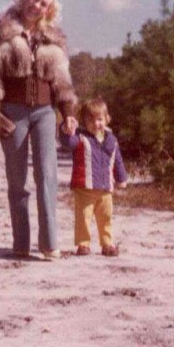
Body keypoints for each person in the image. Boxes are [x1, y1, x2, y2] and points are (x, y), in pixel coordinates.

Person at [0, 0, 77, 260]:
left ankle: (49, 244)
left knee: (47, 175)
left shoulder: (55, 39)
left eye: (43, 2)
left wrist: (67, 112)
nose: (37, 4)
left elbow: (62, 81)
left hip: (44, 112)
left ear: (49, 9)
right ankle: (21, 243)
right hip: (12, 113)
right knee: (17, 179)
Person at [60, 98, 128, 257]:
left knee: (106, 218)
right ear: (83, 121)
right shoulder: (80, 137)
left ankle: (107, 244)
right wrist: (65, 130)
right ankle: (83, 244)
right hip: (85, 187)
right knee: (84, 218)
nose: (95, 123)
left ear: (106, 119)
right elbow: (68, 143)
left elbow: (117, 159)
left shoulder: (112, 139)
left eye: (99, 119)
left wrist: (121, 178)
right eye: (90, 120)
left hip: (105, 188)